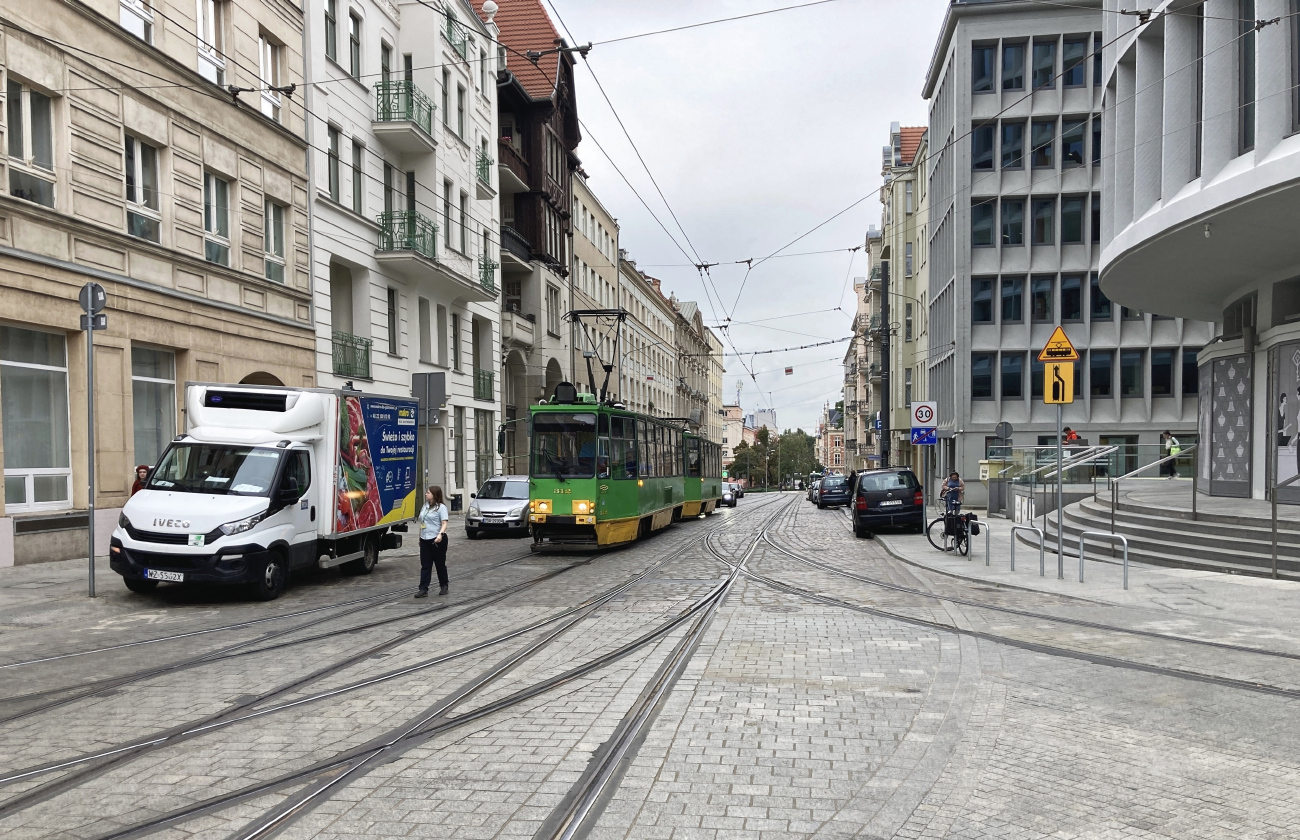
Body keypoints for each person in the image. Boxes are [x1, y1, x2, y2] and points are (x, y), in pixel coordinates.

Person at [416, 486, 449, 598]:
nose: (426, 494)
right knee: (425, 565)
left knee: (440, 564)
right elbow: (422, 522)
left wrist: (440, 534)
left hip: (437, 540)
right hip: (425, 539)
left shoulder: (441, 507)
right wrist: (420, 537)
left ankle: (444, 585)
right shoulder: (425, 506)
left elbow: (444, 523)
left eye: (428, 492)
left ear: (434, 495)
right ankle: (423, 589)